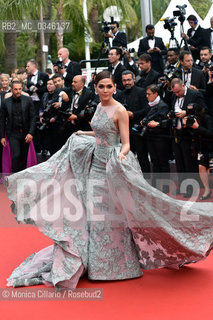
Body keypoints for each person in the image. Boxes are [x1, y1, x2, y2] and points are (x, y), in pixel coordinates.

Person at [5, 71, 213, 289]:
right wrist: (82, 134)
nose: (105, 90)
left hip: (112, 167)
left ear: (115, 88)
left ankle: (120, 265)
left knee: (112, 216)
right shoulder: (98, 107)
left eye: (108, 87)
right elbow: (99, 133)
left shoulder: (120, 110)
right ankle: (97, 266)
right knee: (94, 217)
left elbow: (125, 142)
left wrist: (121, 155)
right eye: (101, 86)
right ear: (95, 87)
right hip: (94, 165)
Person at [0, 81, 36, 173]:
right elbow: (2, 120)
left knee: (23, 157)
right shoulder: (5, 102)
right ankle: (14, 179)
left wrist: (31, 133)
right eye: (15, 89)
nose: (18, 91)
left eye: (20, 89)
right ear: (11, 90)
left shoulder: (28, 100)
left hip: (25, 133)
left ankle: (21, 178)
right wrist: (2, 136)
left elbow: (33, 118)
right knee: (16, 155)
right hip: (12, 133)